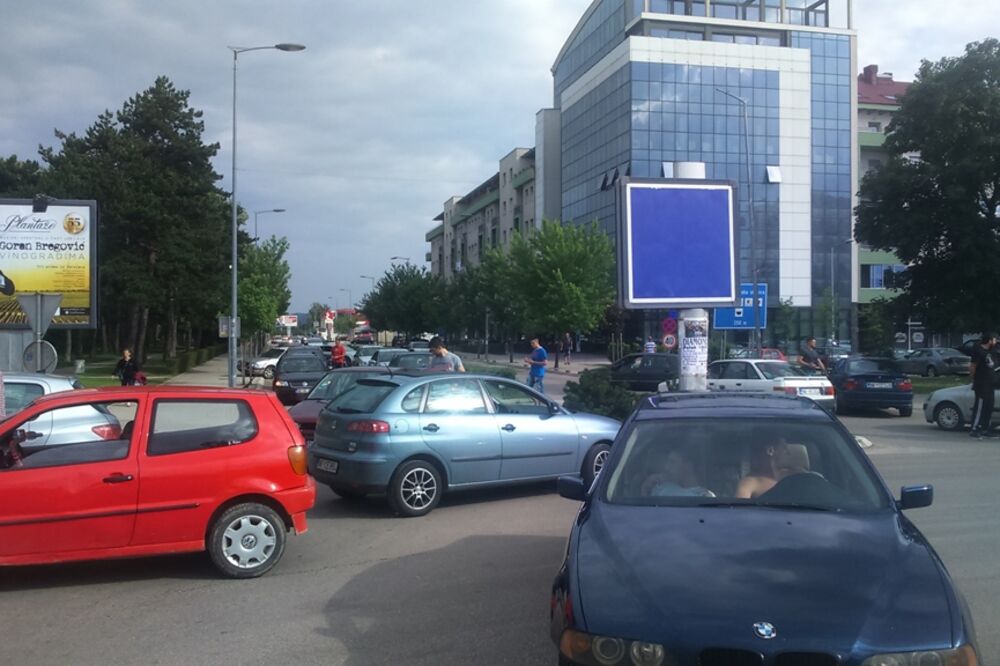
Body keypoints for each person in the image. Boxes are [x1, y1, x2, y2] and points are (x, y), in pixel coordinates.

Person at [735, 437, 809, 499]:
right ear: (770, 451)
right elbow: (740, 512)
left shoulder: (798, 476)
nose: (788, 453)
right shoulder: (750, 482)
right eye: (784, 448)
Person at [641, 446, 714, 498]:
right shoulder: (661, 488)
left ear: (688, 466)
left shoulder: (704, 497)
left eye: (673, 462)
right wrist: (645, 487)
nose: (667, 467)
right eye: (668, 462)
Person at [968, 332, 997, 438]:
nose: (995, 341)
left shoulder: (991, 351)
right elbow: (972, 366)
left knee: (989, 406)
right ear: (989, 340)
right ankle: (974, 428)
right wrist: (973, 380)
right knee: (980, 407)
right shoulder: (978, 351)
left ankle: (985, 429)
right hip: (981, 384)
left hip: (990, 384)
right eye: (993, 339)